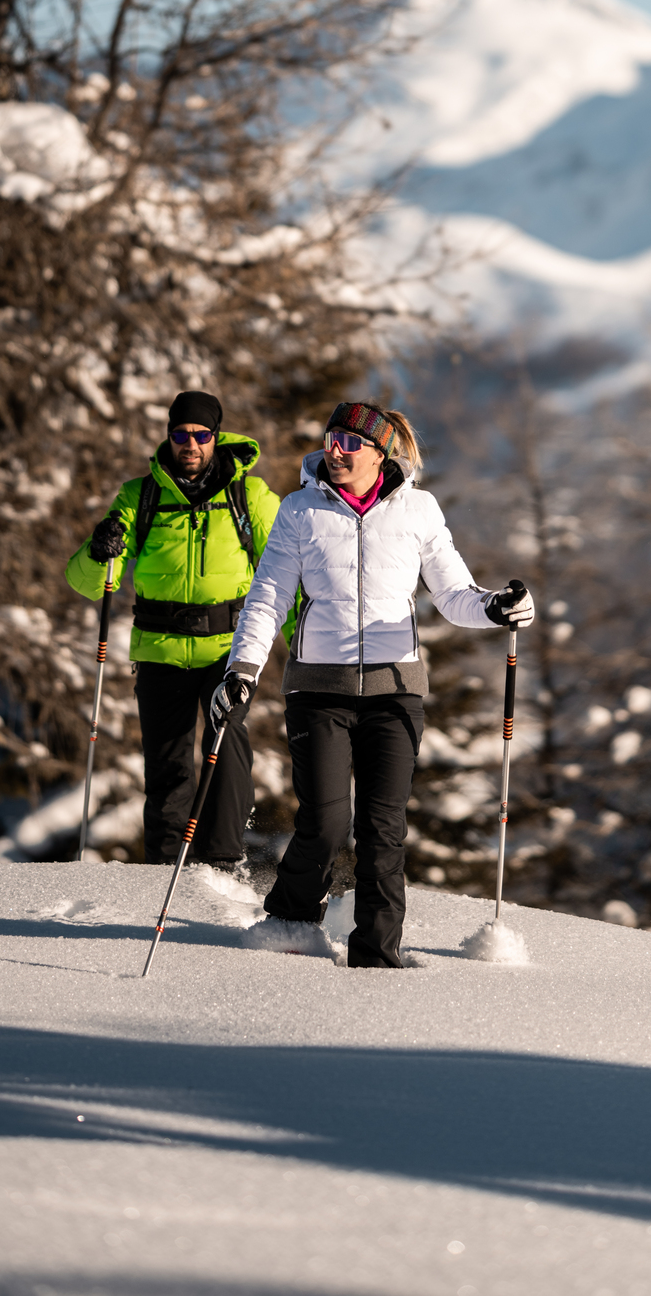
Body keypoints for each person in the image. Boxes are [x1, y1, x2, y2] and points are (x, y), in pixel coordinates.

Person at [210, 398, 534, 967]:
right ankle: (289, 923)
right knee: (327, 822)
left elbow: (455, 594)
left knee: (384, 831)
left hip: (395, 692)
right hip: (317, 690)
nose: (336, 449)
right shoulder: (300, 511)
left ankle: (376, 957)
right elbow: (269, 597)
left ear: (380, 453)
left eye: (350, 442)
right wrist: (243, 670)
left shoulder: (419, 511)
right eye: (332, 438)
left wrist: (497, 608)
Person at [66, 390, 280, 872]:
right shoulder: (139, 496)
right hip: (160, 649)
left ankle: (223, 860)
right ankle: (162, 869)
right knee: (168, 768)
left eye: (201, 435)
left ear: (216, 437)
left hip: (228, 647)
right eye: (181, 434)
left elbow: (286, 573)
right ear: (169, 435)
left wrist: (302, 640)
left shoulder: (251, 496)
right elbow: (85, 582)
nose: (191, 443)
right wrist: (100, 551)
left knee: (225, 745)